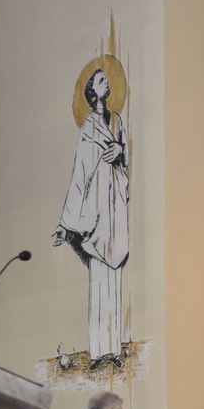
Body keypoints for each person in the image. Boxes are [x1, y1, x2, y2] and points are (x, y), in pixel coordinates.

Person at [52, 66, 130, 370]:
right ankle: (99, 352)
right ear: (92, 92)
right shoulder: (87, 129)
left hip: (115, 208)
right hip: (96, 213)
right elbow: (79, 175)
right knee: (99, 278)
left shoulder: (117, 121)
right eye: (100, 80)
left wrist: (120, 151)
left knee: (114, 275)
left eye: (107, 79)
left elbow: (125, 155)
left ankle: (114, 349)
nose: (106, 82)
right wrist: (65, 223)